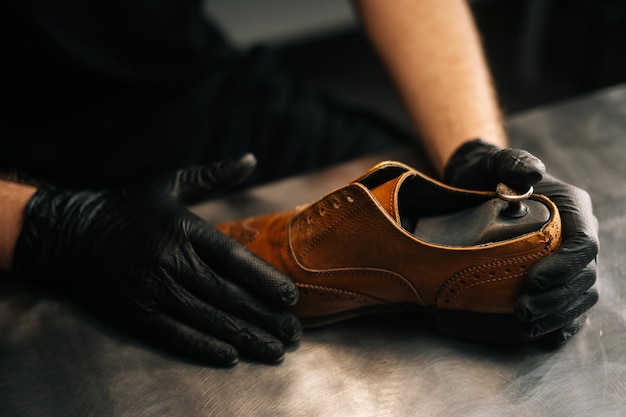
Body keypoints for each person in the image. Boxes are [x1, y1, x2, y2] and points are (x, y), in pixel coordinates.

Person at [0, 0, 598, 366]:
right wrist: (53, 226)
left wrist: (473, 148)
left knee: (389, 166)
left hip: (206, 100)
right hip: (28, 173)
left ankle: (479, 269)